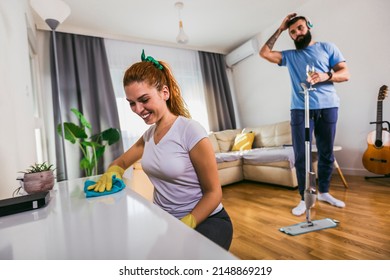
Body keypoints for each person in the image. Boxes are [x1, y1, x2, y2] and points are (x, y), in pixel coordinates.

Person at [88, 50, 233, 250]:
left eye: (144, 100)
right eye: (132, 103)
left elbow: (214, 193)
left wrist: (187, 224)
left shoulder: (190, 130)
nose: (138, 109)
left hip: (206, 220)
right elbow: (120, 162)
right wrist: (114, 171)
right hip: (165, 221)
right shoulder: (148, 136)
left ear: (164, 93)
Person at [259, 13, 350, 216]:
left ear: (308, 26)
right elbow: (264, 53)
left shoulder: (327, 47)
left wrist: (327, 75)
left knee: (327, 152)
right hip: (300, 109)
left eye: (300, 28)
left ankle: (324, 192)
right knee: (302, 156)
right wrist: (280, 28)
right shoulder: (289, 57)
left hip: (328, 106)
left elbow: (346, 74)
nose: (297, 33)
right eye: (292, 31)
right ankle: (305, 197)